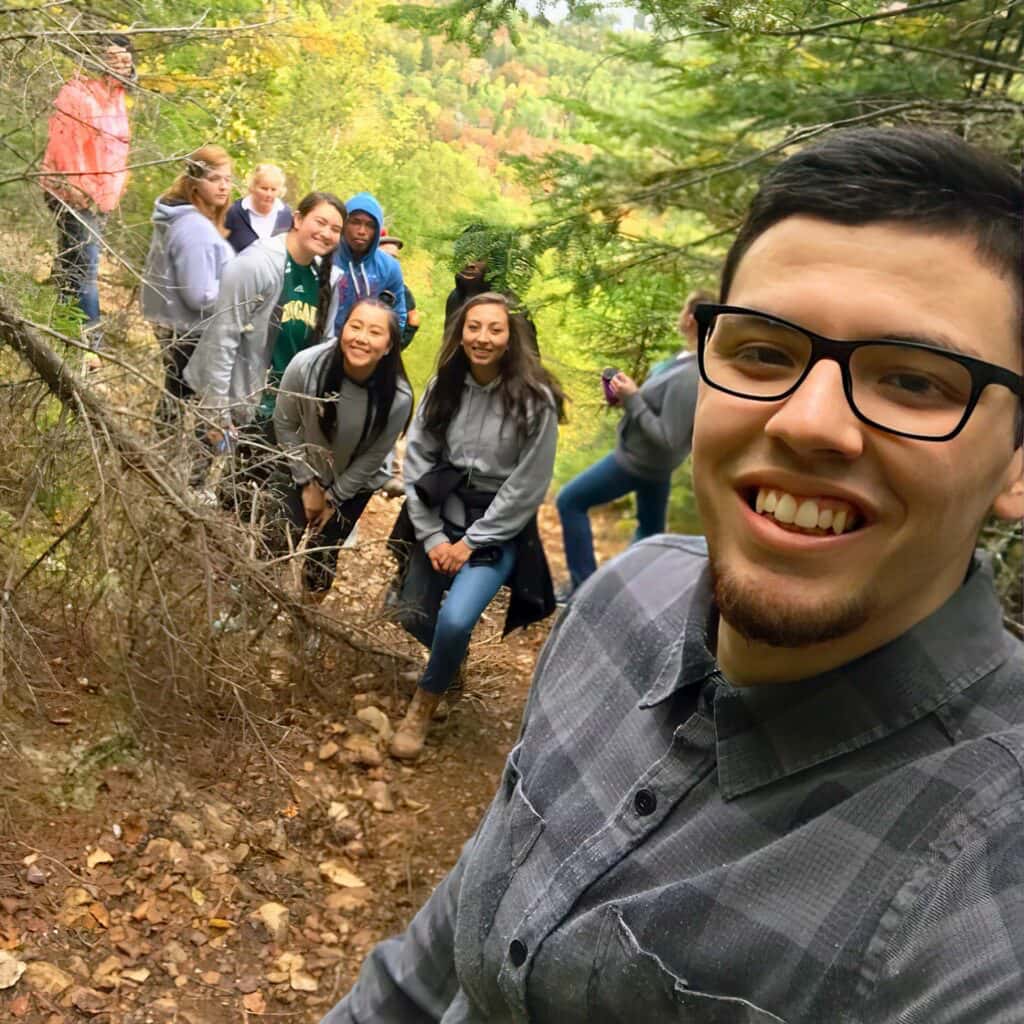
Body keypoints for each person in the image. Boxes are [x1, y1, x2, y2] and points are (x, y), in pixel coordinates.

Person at [320, 128, 1024, 1023]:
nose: (811, 424)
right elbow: (439, 949)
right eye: (766, 352)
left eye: (916, 381)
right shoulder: (623, 596)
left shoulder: (986, 909)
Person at [387, 292, 564, 761]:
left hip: (497, 525)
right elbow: (418, 460)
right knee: (409, 613)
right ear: (460, 331)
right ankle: (451, 663)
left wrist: (470, 543)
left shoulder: (535, 399)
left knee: (458, 618)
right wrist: (430, 535)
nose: (482, 338)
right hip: (439, 508)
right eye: (473, 327)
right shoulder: (443, 385)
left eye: (494, 329)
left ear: (511, 337)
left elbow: (528, 485)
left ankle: (425, 702)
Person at [184, 191, 346, 487]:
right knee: (191, 490)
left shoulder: (329, 280)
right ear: (297, 219)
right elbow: (222, 336)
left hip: (277, 414)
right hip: (233, 399)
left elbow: (322, 348)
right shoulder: (256, 263)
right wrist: (215, 412)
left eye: (335, 229)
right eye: (320, 222)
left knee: (240, 501)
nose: (326, 233)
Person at [271, 299, 413, 598]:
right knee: (273, 539)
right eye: (355, 326)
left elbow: (374, 457)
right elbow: (284, 424)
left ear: (389, 346)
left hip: (353, 483)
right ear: (342, 329)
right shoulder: (307, 365)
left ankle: (305, 628)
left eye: (375, 332)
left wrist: (333, 499)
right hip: (301, 463)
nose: (361, 338)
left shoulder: (398, 397)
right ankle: (244, 611)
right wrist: (307, 483)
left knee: (321, 559)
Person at [555, 338, 699, 593]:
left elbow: (669, 439)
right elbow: (654, 408)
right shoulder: (682, 359)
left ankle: (583, 589)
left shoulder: (691, 374)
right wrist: (623, 396)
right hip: (652, 466)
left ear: (690, 318)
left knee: (570, 501)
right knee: (651, 533)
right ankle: (629, 596)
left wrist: (632, 398)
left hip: (637, 463)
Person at [40, 35, 135, 356]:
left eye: (125, 58)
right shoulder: (77, 93)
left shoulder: (117, 96)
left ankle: (64, 336)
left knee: (71, 267)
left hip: (99, 198)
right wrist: (82, 193)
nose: (120, 64)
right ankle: (91, 349)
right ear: (97, 59)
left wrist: (111, 191)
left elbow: (117, 150)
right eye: (112, 57)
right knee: (86, 270)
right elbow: (65, 149)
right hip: (74, 193)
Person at [141, 145, 234, 431]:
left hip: (172, 324)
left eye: (228, 179)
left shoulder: (177, 215)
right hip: (189, 330)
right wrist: (237, 291)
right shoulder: (194, 228)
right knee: (185, 401)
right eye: (214, 179)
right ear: (194, 180)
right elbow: (199, 295)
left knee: (175, 397)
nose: (223, 186)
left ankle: (157, 457)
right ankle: (165, 461)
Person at [332, 193, 407, 337]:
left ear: (378, 230)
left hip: (366, 348)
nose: (361, 231)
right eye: (355, 222)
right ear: (343, 223)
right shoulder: (325, 258)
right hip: (321, 346)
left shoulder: (389, 267)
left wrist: (383, 348)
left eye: (370, 225)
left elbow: (398, 316)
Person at [224, 163, 293, 253]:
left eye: (273, 189)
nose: (269, 194)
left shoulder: (286, 216)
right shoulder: (234, 213)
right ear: (253, 187)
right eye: (264, 188)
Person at [377, 233, 420, 349]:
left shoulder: (401, 290)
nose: (391, 261)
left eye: (394, 257)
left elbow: (414, 319)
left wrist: (396, 347)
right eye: (386, 256)